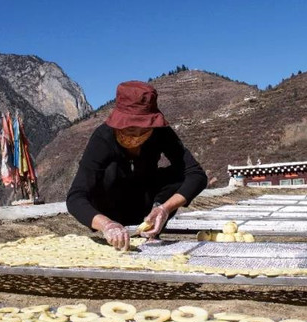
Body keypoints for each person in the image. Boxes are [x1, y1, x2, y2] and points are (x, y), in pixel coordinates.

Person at [67, 80, 208, 250]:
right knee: (108, 172)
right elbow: (76, 197)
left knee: (179, 174)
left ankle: (153, 225)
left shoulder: (161, 133)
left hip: (147, 207)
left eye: (144, 130)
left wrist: (165, 208)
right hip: (112, 210)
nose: (137, 135)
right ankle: (116, 231)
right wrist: (106, 224)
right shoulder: (103, 138)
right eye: (130, 129)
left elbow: (196, 175)